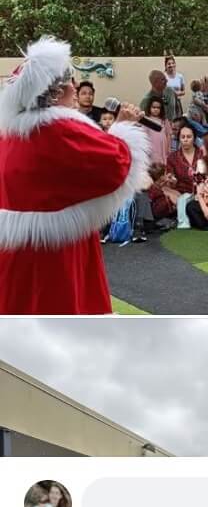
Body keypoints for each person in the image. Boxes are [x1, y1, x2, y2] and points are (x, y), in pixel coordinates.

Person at [0, 36, 150, 314]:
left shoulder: (9, 136)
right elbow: (115, 161)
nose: (74, 86)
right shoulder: (60, 130)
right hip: (57, 252)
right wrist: (125, 126)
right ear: (55, 92)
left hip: (13, 250)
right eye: (69, 80)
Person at [141, 95, 174, 167]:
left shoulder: (164, 121)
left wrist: (168, 148)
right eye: (154, 107)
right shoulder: (146, 120)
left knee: (162, 165)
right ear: (149, 107)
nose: (156, 109)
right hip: (151, 148)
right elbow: (143, 136)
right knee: (153, 166)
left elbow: (168, 135)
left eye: (158, 108)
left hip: (163, 148)